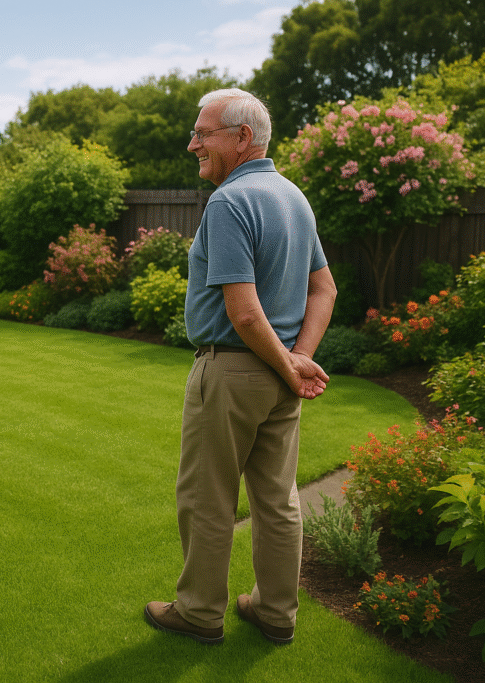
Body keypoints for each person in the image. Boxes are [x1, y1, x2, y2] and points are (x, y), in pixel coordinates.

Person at [143, 88, 337, 646]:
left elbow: (246, 314)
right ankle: (275, 613)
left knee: (208, 497)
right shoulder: (293, 197)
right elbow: (324, 288)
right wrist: (297, 361)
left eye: (203, 133)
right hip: (279, 379)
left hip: (232, 371)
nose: (192, 143)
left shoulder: (230, 202)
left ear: (242, 137)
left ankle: (199, 613)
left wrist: (288, 361)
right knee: (278, 499)